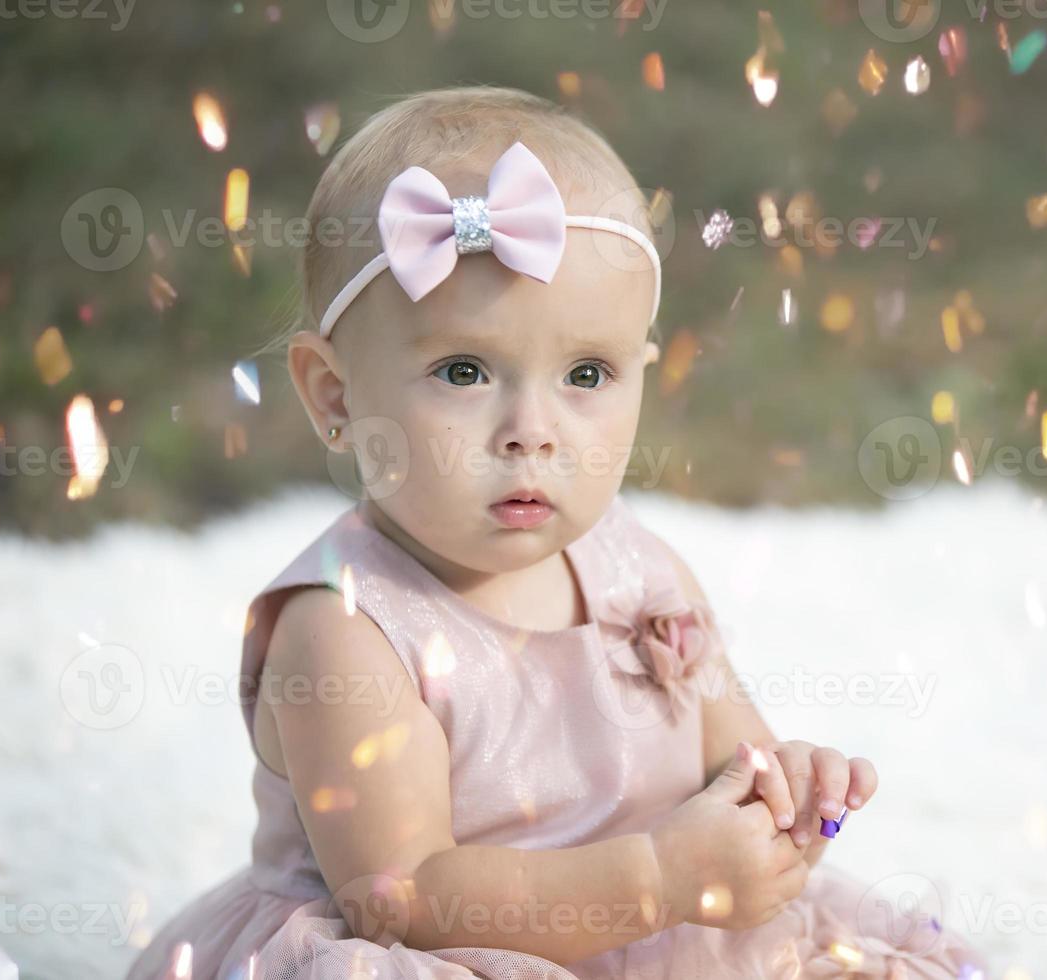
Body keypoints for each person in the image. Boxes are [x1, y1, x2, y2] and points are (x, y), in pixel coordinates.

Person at [126, 85, 984, 980]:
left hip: (660, 928)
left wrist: (785, 792)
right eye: (463, 370)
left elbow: (732, 752)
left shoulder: (637, 566)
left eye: (587, 372)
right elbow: (404, 901)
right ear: (334, 395)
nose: (531, 429)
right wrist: (655, 878)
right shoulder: (347, 630)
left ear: (643, 374)